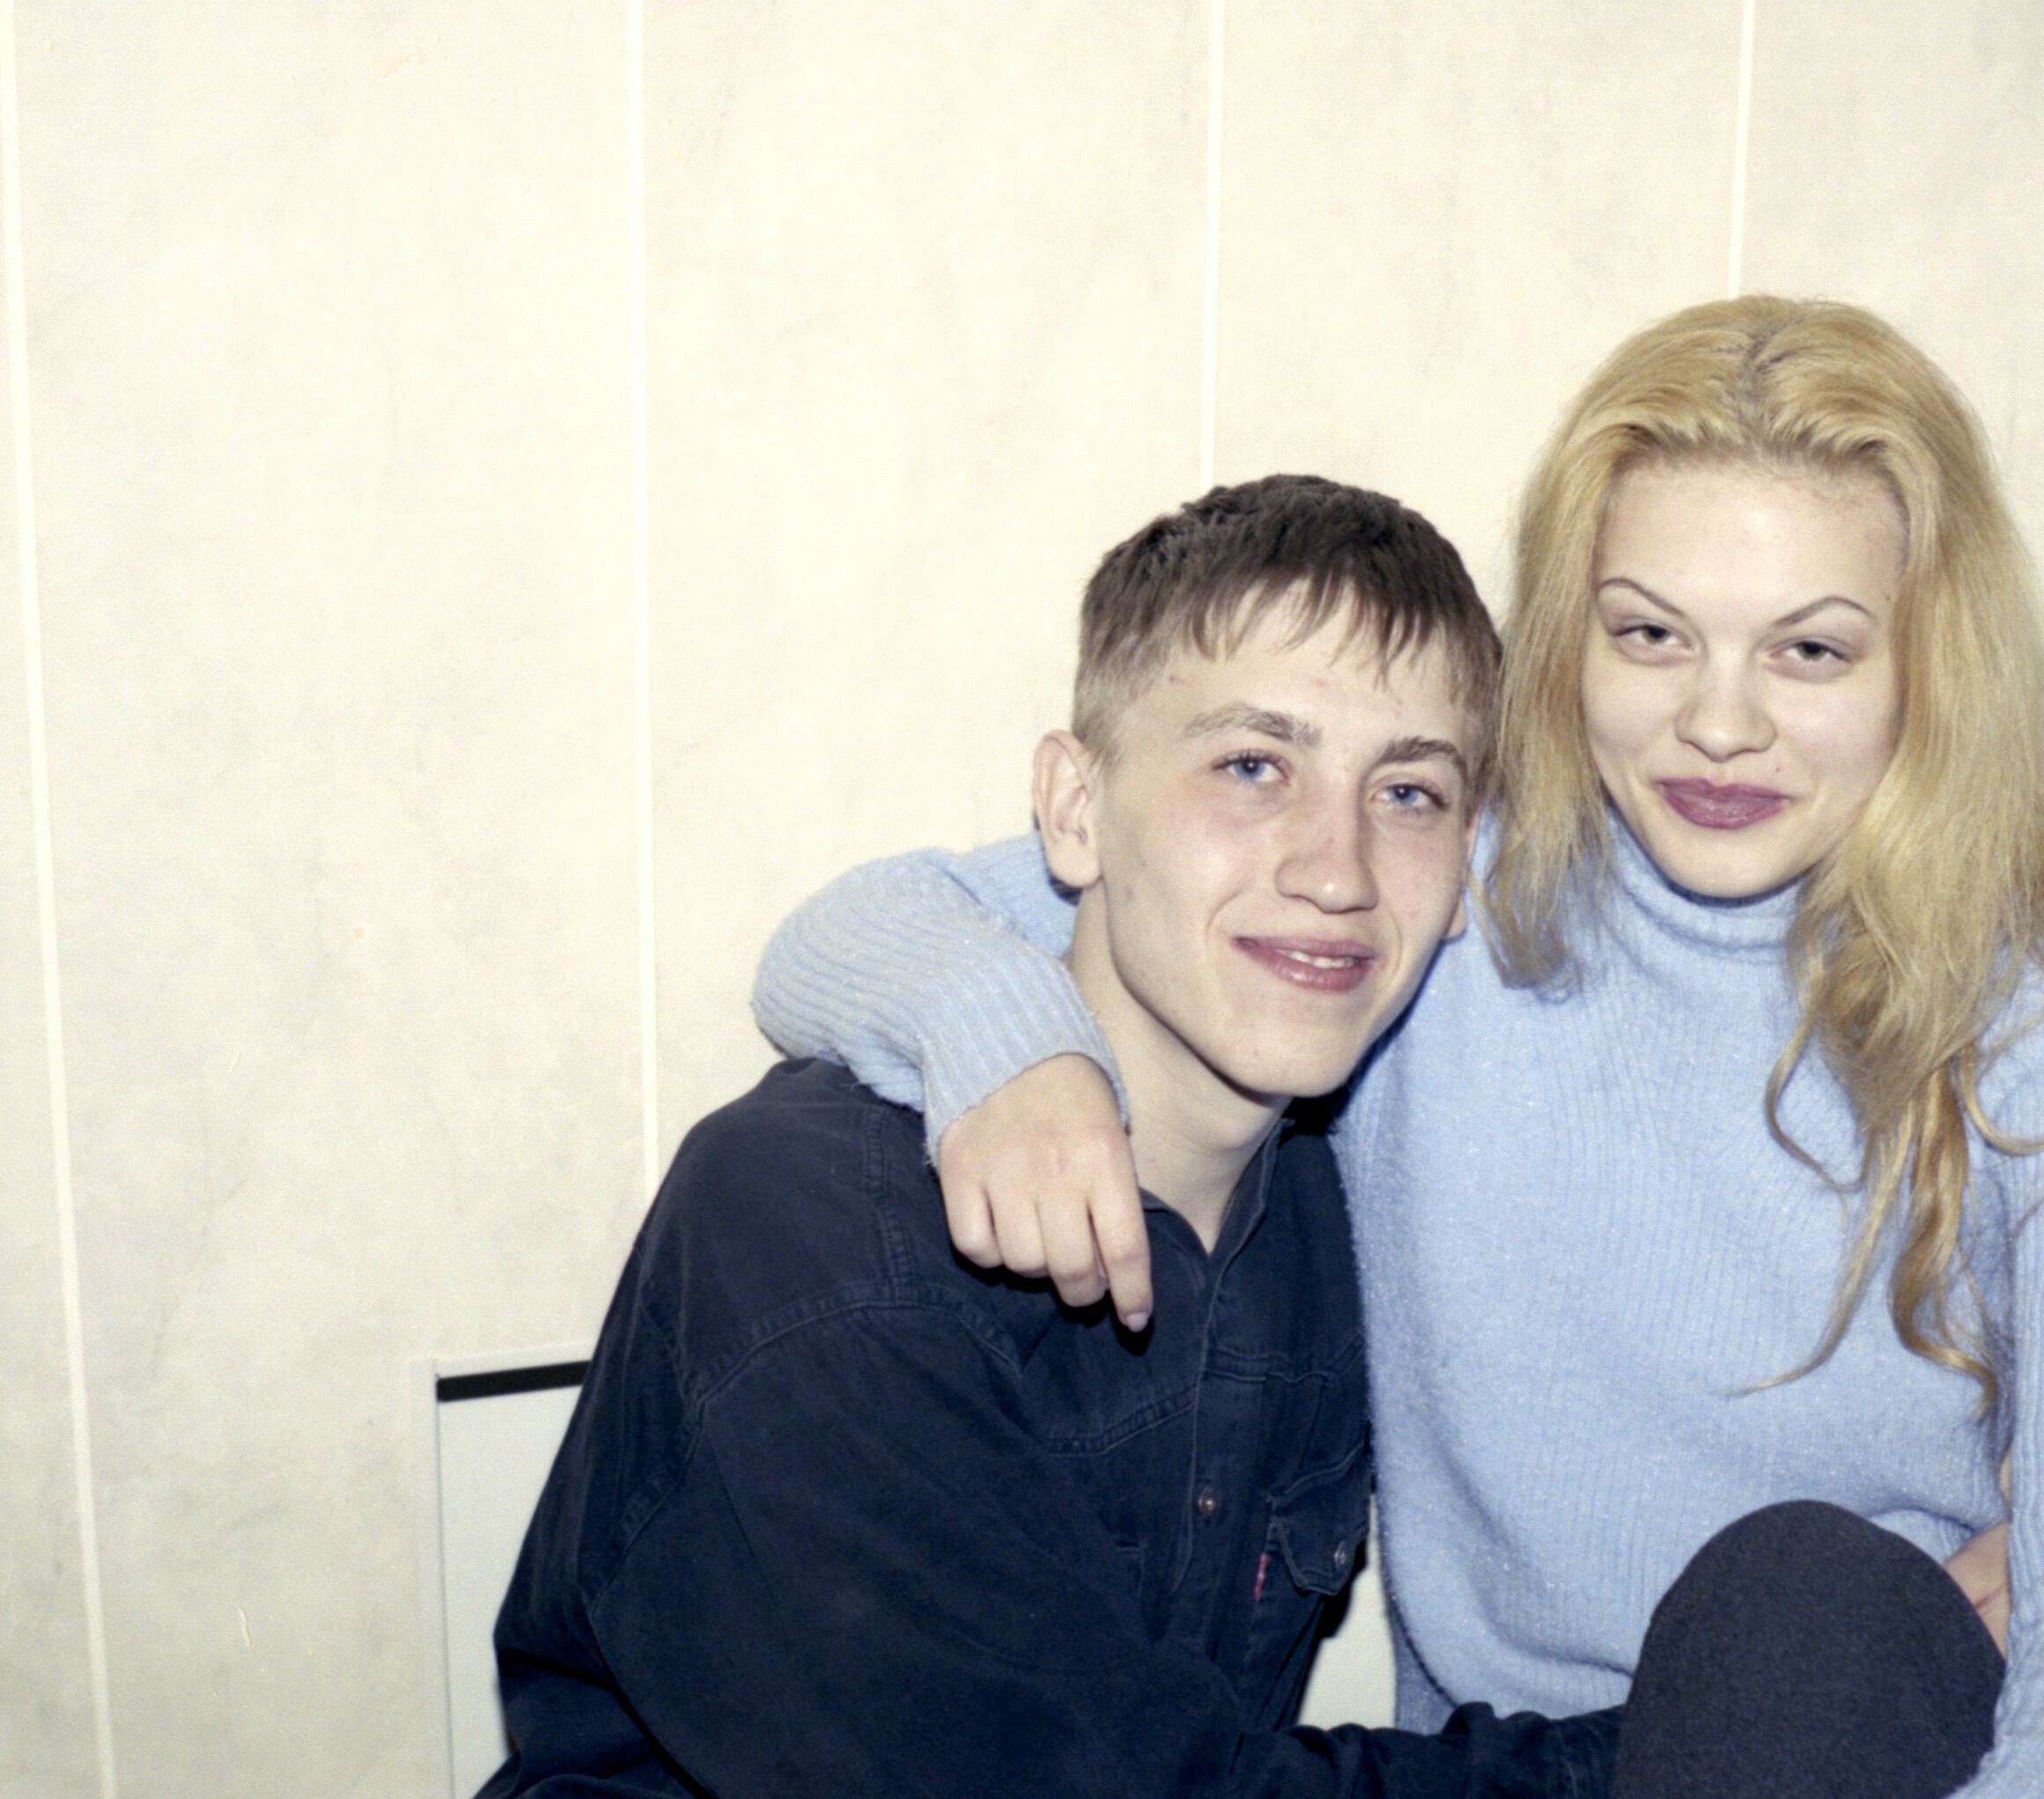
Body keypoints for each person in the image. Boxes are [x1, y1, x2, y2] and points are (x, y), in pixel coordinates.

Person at [750, 298, 2044, 1796]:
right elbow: (854, 933)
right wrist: (1009, 1042)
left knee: (1797, 1613)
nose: (1718, 721)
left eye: (1809, 650)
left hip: (1864, 1758)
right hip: (1505, 1780)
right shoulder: (1429, 891)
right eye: (1650, 634)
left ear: (1930, 663)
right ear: (1567, 641)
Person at [480, 476, 1628, 1797]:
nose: (1338, 869)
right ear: (1075, 809)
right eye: (1253, 766)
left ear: (1469, 857)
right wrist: (1679, 1758)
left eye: (1409, 792)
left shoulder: (1324, 1214)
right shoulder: (810, 1223)